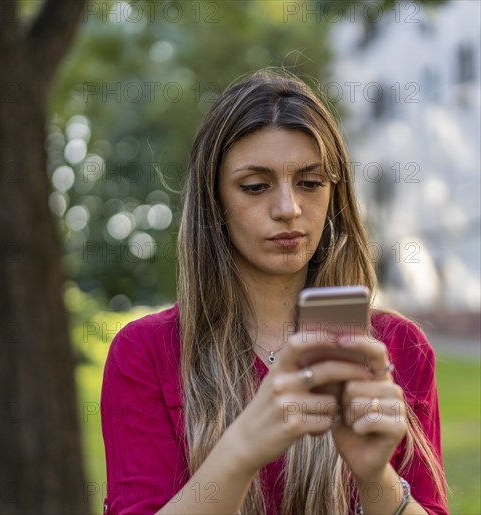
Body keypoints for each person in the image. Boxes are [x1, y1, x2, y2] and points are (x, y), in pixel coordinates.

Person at [100, 69, 448, 514]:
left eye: (310, 182)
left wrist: (375, 478)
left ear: (334, 193)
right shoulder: (146, 353)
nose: (288, 209)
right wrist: (242, 449)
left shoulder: (399, 348)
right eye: (256, 186)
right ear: (215, 200)